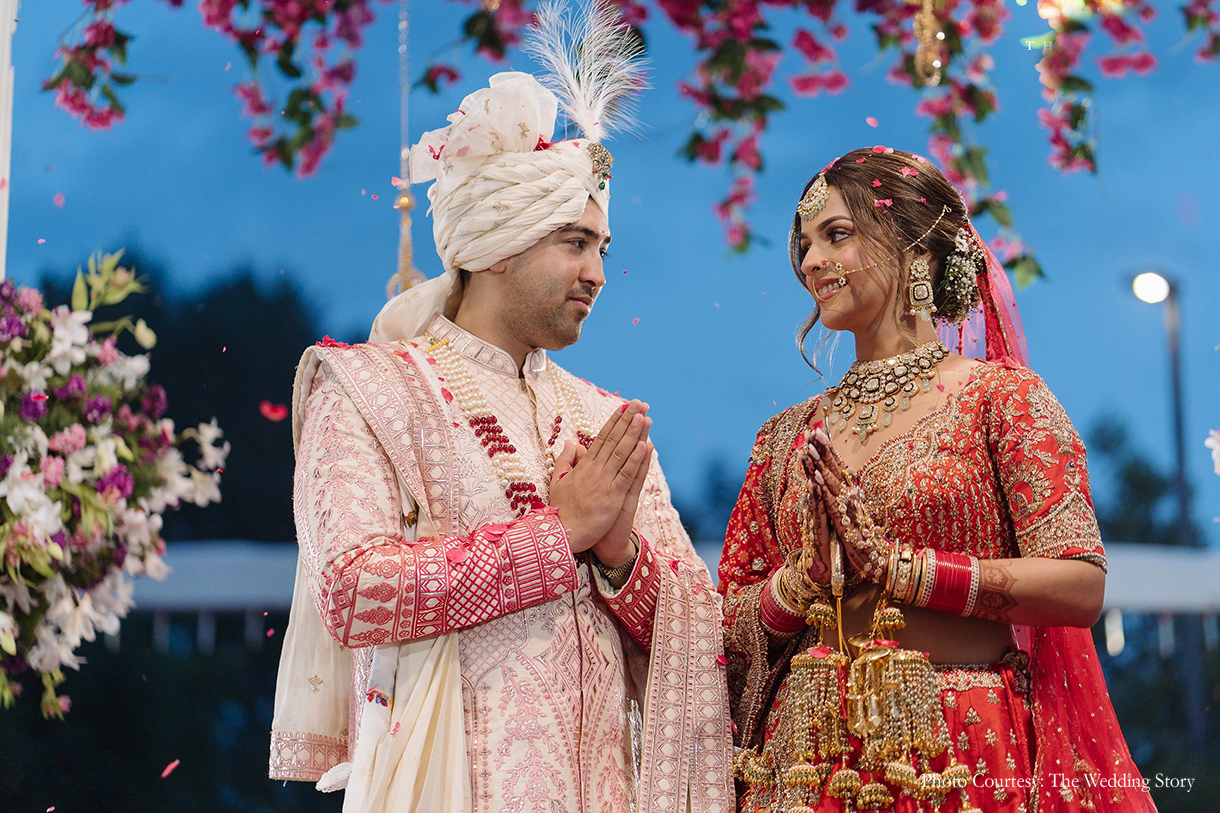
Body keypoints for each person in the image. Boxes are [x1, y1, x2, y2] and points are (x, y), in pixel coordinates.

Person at [266, 4, 733, 812]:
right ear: (494, 247)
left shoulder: (604, 417)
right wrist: (559, 534)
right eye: (575, 243)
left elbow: (700, 636)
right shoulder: (370, 390)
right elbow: (353, 590)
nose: (597, 274)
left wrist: (621, 560)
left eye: (603, 249)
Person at [719, 146, 1157, 812]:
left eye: (836, 235)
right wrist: (800, 581)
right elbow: (727, 623)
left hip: (959, 747)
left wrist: (901, 568)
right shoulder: (783, 437)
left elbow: (1078, 584)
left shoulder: (1003, 402)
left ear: (916, 250)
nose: (810, 262)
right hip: (804, 761)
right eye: (805, 245)